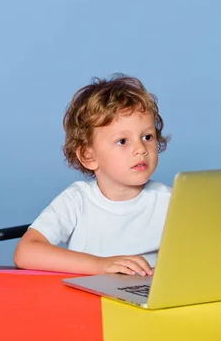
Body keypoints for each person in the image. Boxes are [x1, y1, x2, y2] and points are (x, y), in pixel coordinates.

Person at [14, 74, 171, 276]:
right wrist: (101, 265)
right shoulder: (77, 200)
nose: (141, 149)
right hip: (88, 299)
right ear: (89, 156)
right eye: (123, 141)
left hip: (148, 301)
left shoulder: (171, 201)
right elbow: (25, 253)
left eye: (147, 137)